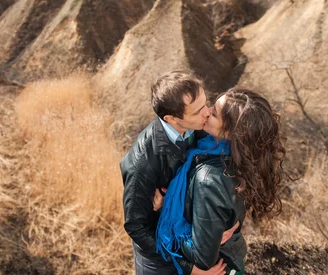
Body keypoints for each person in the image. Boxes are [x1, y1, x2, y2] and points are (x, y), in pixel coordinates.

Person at [156, 88, 287, 275]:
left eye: (214, 114)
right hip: (230, 259)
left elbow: (202, 257)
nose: (207, 112)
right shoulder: (242, 158)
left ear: (230, 131)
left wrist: (170, 215)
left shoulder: (209, 179)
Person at [120, 71, 227, 275]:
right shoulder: (143, 161)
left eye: (206, 103)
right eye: (197, 111)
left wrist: (212, 229)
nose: (207, 112)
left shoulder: (198, 127)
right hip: (160, 258)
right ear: (171, 118)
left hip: (190, 239)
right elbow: (136, 226)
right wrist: (189, 269)